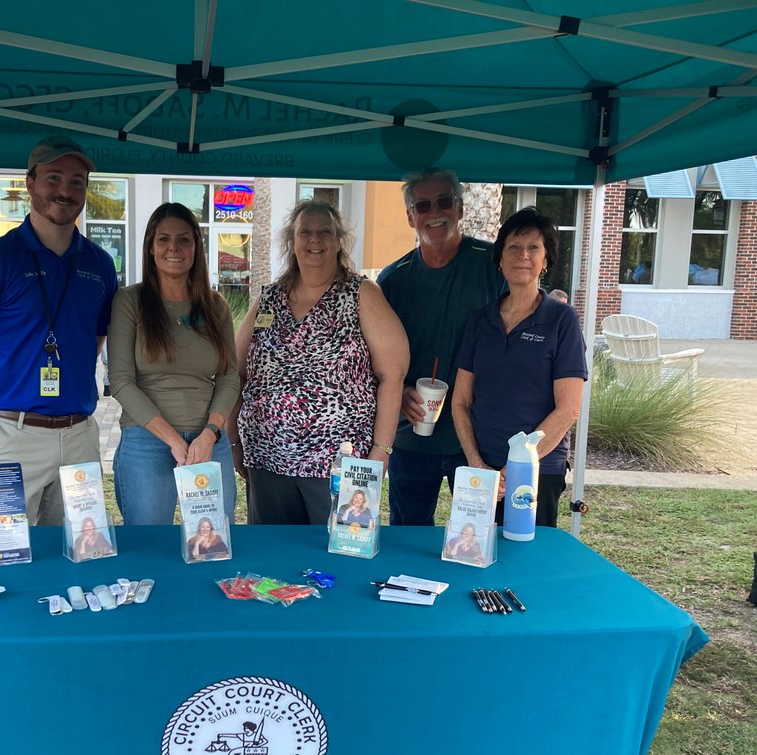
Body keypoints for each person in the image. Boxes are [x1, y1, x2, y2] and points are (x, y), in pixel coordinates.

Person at [0, 134, 117, 526]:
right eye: (54, 178)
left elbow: (94, 339)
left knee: (81, 549)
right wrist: (6, 387)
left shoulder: (100, 264)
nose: (65, 190)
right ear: (30, 182)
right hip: (12, 435)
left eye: (76, 181)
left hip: (79, 436)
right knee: (7, 554)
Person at [232, 199, 408, 525]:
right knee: (276, 563)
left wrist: (381, 451)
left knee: (338, 558)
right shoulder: (268, 298)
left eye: (324, 232)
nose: (315, 240)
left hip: (339, 464)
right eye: (306, 232)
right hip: (267, 459)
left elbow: (393, 374)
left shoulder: (361, 294)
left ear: (338, 239)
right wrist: (233, 441)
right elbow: (235, 373)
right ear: (292, 241)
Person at [378, 169, 503, 526]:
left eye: (445, 201)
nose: (435, 212)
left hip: (478, 438)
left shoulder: (493, 264)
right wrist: (398, 392)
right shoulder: (393, 280)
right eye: (423, 205)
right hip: (412, 438)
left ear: (460, 208)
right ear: (409, 216)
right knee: (409, 541)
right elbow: (369, 357)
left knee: (481, 540)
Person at [451, 207, 587, 529]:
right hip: (482, 472)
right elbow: (460, 402)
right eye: (513, 247)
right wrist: (477, 464)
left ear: (546, 260)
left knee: (527, 562)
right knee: (475, 557)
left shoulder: (561, 320)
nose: (522, 256)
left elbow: (569, 409)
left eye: (533, 248)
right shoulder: (479, 320)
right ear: (500, 259)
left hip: (537, 471)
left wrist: (515, 469)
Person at [107, 202, 240, 524]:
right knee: (149, 548)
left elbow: (229, 378)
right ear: (151, 247)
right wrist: (173, 440)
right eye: (164, 239)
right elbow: (121, 381)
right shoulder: (129, 302)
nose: (174, 248)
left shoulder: (216, 307)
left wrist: (209, 434)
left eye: (184, 239)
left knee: (215, 544)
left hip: (209, 442)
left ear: (196, 247)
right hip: (146, 440)